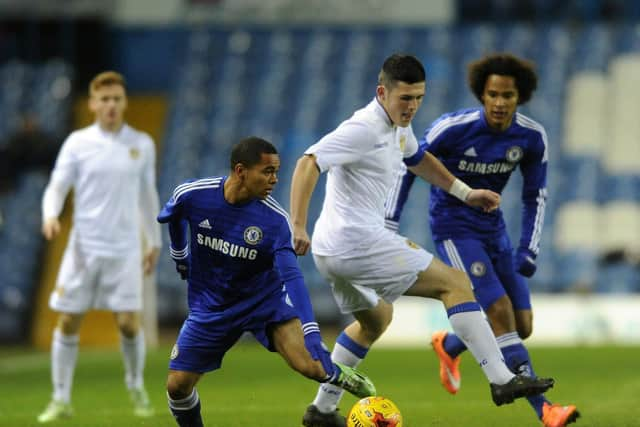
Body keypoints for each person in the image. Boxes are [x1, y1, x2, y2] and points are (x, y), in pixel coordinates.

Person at [290, 53, 554, 427]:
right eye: (405, 98)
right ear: (382, 92)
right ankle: (502, 379)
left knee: (375, 320)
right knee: (456, 284)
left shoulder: (397, 126)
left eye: (418, 98)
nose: (412, 106)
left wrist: (466, 193)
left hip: (331, 252)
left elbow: (420, 160)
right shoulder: (364, 126)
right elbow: (308, 162)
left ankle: (322, 410)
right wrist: (297, 225)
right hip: (356, 242)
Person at [385, 53, 579, 427]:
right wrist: (390, 220)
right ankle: (546, 410)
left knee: (523, 325)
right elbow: (409, 164)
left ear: (519, 97)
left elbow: (534, 194)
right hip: (454, 230)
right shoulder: (451, 129)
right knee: (500, 312)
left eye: (508, 95)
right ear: (482, 95)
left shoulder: (531, 136)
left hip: (495, 232)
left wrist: (529, 247)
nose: (500, 102)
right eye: (493, 94)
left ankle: (451, 344)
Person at [157, 136, 376, 427]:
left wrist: (311, 332)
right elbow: (172, 216)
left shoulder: (274, 221)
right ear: (240, 171)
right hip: (211, 307)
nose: (275, 179)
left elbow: (293, 277)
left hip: (265, 302)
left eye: (276, 171)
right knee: (177, 386)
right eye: (267, 171)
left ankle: (335, 373)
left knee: (309, 366)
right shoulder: (194, 195)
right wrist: (179, 253)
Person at [37, 71, 161, 423]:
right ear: (92, 103)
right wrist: (50, 215)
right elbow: (57, 185)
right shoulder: (77, 143)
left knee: (128, 324)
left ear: (124, 103)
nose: (110, 105)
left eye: (116, 99)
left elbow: (147, 196)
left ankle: (136, 387)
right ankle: (60, 398)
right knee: (68, 319)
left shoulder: (141, 143)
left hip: (124, 250)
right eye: (104, 99)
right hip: (83, 249)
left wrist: (153, 241)